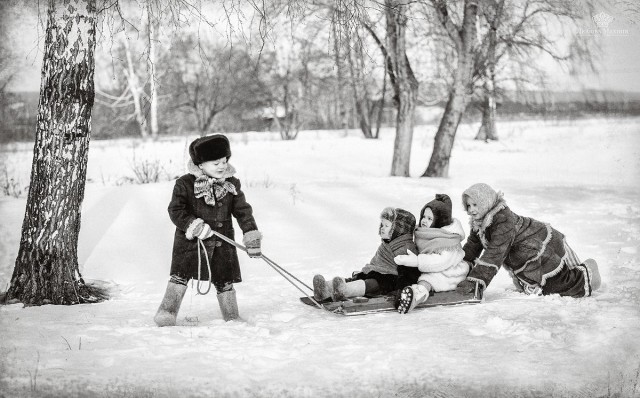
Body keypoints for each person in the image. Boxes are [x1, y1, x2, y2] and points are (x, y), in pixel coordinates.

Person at [154, 134, 262, 326]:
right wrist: (193, 225)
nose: (222, 166)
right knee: (180, 277)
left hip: (222, 245)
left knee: (225, 281)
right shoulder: (185, 184)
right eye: (216, 163)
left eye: (224, 161)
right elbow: (176, 210)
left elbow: (243, 211)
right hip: (191, 244)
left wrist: (251, 235)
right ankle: (167, 311)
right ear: (200, 164)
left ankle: (232, 316)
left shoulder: (231, 184)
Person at [455, 183, 601, 298]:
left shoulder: (502, 221)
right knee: (536, 287)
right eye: (468, 205)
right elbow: (473, 247)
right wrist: (459, 268)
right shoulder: (480, 222)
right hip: (523, 253)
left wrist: (476, 283)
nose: (471, 210)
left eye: (475, 205)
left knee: (557, 285)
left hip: (538, 244)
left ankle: (587, 273)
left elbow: (494, 255)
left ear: (486, 202)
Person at [312, 207, 420, 301]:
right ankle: (325, 289)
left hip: (389, 281)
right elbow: (376, 263)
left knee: (370, 284)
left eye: (386, 226)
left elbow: (409, 275)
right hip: (375, 273)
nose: (382, 228)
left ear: (398, 230)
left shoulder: (406, 249)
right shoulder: (386, 244)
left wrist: (401, 291)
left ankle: (344, 290)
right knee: (359, 277)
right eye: (382, 225)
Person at [394, 194, 470, 314]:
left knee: (429, 278)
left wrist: (418, 261)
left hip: (449, 271)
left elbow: (441, 261)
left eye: (430, 219)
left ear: (439, 221)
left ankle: (417, 295)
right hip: (431, 267)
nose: (424, 221)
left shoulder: (448, 240)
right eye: (424, 216)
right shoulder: (423, 233)